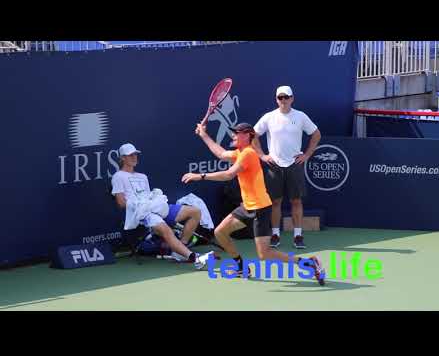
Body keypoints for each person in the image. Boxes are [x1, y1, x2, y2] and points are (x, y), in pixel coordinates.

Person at [181, 123, 325, 285]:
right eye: (234, 132)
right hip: (247, 207)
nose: (234, 135)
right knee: (220, 232)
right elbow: (220, 153)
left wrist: (200, 176)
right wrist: (203, 135)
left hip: (260, 209)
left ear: (248, 135)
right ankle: (241, 267)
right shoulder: (240, 152)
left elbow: (229, 175)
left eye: (237, 133)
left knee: (265, 254)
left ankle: (310, 264)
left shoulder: (248, 153)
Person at [111, 143, 211, 269]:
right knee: (166, 230)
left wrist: (153, 202)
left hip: (155, 207)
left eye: (135, 154)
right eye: (130, 155)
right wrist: (139, 206)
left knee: (195, 212)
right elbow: (121, 203)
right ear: (122, 158)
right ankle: (194, 258)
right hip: (141, 213)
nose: (134, 157)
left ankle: (179, 250)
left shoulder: (143, 177)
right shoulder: (118, 177)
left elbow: (147, 196)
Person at [252, 85, 321, 249]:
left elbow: (316, 134)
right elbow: (253, 135)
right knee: (275, 202)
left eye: (286, 97)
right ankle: (275, 234)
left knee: (296, 201)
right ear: (277, 99)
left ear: (292, 98)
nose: (283, 100)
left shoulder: (301, 116)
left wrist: (307, 155)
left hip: (294, 165)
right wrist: (262, 155)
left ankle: (298, 236)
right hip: (274, 165)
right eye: (280, 98)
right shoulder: (269, 117)